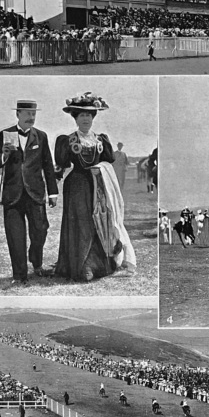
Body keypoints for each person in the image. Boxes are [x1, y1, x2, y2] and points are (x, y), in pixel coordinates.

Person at [54, 91, 136, 282]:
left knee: (100, 221)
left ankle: (100, 264)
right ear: (75, 118)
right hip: (77, 186)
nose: (85, 119)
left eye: (89, 115)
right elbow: (61, 164)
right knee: (81, 223)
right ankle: (83, 266)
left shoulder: (101, 140)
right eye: (81, 115)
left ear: (93, 117)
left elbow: (109, 161)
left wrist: (100, 169)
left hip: (99, 186)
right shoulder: (67, 140)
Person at [0, 99, 58, 286]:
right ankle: (19, 275)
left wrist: (53, 192)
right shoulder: (6, 135)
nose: (31, 117)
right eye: (27, 114)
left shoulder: (41, 136)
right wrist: (3, 154)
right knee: (15, 236)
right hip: (13, 195)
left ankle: (36, 262)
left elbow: (48, 166)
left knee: (40, 230)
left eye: (34, 114)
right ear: (18, 114)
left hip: (35, 193)